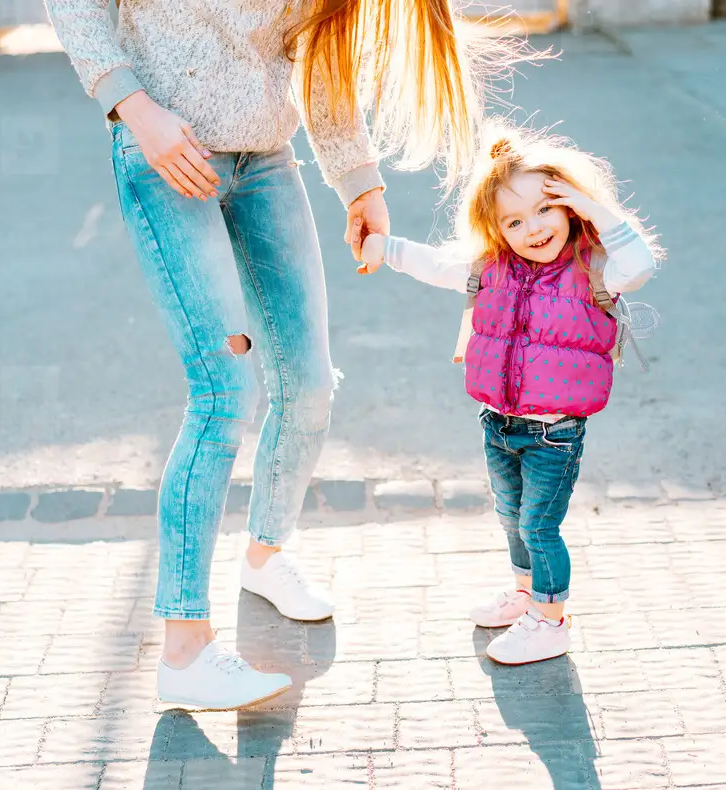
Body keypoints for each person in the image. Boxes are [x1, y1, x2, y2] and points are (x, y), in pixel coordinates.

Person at [44, 0, 507, 708]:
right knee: (224, 395)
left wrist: (360, 182)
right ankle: (184, 650)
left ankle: (264, 556)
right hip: (164, 154)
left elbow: (321, 59)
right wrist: (135, 109)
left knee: (309, 387)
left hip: (265, 162)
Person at [358, 121, 664, 665]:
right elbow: (435, 264)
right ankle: (527, 594)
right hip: (498, 423)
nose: (533, 228)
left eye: (546, 209)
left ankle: (550, 621)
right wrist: (386, 246)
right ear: (496, 229)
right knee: (511, 517)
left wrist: (596, 209)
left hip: (555, 433)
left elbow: (641, 265)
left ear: (570, 208)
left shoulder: (596, 269)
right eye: (514, 221)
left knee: (538, 526)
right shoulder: (491, 268)